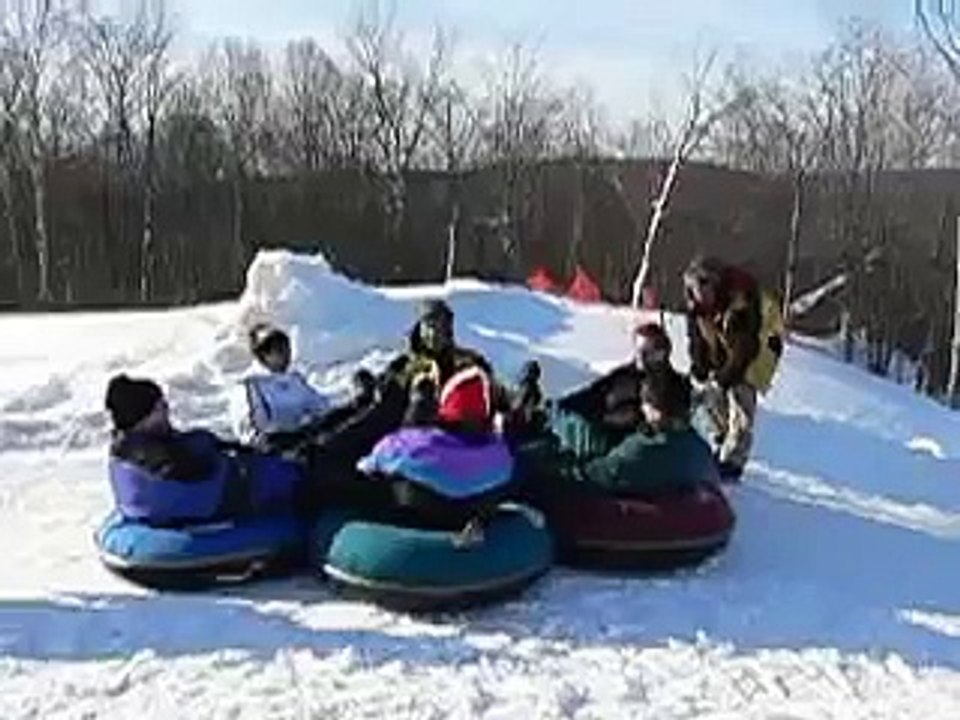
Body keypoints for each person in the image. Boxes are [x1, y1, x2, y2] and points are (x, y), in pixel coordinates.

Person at [105, 374, 305, 527]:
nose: (167, 411)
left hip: (228, 489)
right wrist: (210, 449)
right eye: (160, 407)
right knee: (304, 468)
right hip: (235, 492)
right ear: (144, 417)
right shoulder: (147, 453)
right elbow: (195, 470)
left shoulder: (126, 446)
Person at [357, 366, 515, 535]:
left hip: (411, 521)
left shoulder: (406, 446)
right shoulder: (500, 456)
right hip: (468, 520)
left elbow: (365, 466)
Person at [683, 255, 783, 482]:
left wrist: (721, 380)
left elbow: (745, 351)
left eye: (699, 288)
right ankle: (720, 439)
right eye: (691, 288)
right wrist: (699, 372)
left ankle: (733, 464)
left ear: (713, 284)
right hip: (726, 342)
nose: (695, 293)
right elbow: (697, 340)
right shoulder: (697, 304)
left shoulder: (741, 301)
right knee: (711, 396)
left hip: (759, 346)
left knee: (741, 397)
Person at [229, 323, 333, 452]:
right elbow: (248, 430)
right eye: (279, 351)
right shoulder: (250, 385)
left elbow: (320, 407)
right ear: (263, 356)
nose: (287, 355)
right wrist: (270, 442)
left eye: (288, 349)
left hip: (303, 444)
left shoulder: (294, 379)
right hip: (274, 454)